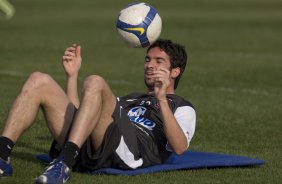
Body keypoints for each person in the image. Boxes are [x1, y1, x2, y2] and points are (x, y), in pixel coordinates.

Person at [0, 39, 196, 183]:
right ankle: (2, 155)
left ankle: (64, 163)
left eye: (158, 61)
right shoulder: (130, 98)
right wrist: (72, 76)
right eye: (147, 59)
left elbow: (179, 147)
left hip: (130, 152)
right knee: (38, 80)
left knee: (96, 81)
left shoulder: (181, 106)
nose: (149, 65)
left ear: (175, 72)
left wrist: (161, 98)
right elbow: (83, 117)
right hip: (95, 145)